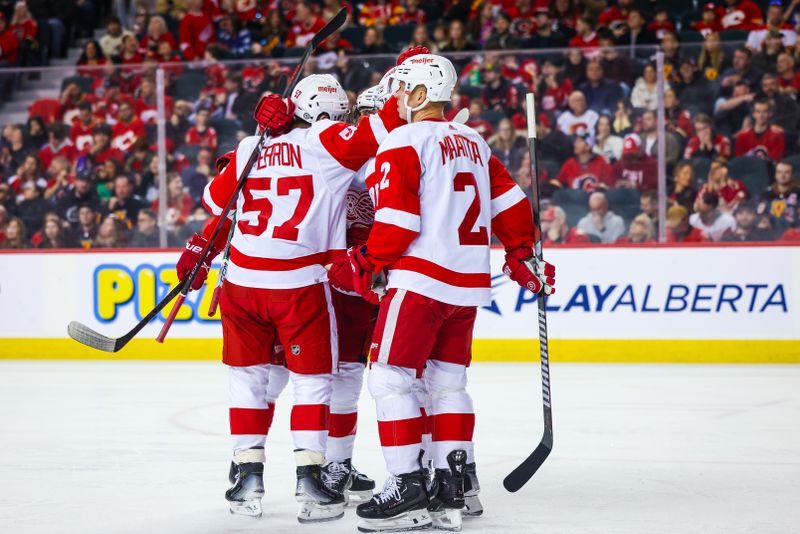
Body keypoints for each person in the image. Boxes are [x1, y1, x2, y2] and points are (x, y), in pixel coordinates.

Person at [326, 53, 554, 534]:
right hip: (467, 285)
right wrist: (522, 254)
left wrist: (364, 262)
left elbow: (398, 222)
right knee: (448, 385)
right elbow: (511, 203)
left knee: (390, 380)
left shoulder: (404, 140)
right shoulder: (474, 141)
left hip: (420, 283)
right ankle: (455, 487)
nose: (394, 100)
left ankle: (406, 487)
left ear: (420, 93)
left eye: (401, 89)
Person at [179, 71, 404, 522]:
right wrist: (404, 86)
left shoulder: (249, 146)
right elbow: (384, 127)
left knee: (248, 380)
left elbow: (214, 200)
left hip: (243, 281)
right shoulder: (330, 142)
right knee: (315, 381)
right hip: (300, 283)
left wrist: (261, 135)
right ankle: (310, 480)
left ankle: (247, 476)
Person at [757, 160, 800, 235]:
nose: (782, 175)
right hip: (770, 233)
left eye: (786, 172)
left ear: (792, 175)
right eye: (779, 172)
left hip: (794, 233)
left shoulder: (798, 192)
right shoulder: (767, 194)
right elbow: (760, 214)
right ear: (775, 175)